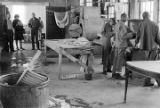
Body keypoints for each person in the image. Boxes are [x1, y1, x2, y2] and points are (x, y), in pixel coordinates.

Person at [136, 11, 160, 86]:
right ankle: (151, 81)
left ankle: (148, 81)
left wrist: (136, 43)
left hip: (145, 47)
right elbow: (158, 38)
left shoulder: (140, 24)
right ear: (149, 16)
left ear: (143, 17)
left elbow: (137, 36)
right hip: (154, 47)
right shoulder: (155, 24)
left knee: (149, 63)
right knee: (153, 65)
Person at [112, 13, 134, 79]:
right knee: (119, 60)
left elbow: (116, 34)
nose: (127, 19)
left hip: (116, 44)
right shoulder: (123, 25)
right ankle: (118, 74)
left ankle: (114, 73)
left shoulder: (117, 24)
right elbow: (123, 36)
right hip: (121, 45)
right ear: (123, 17)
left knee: (115, 59)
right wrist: (131, 35)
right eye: (126, 17)